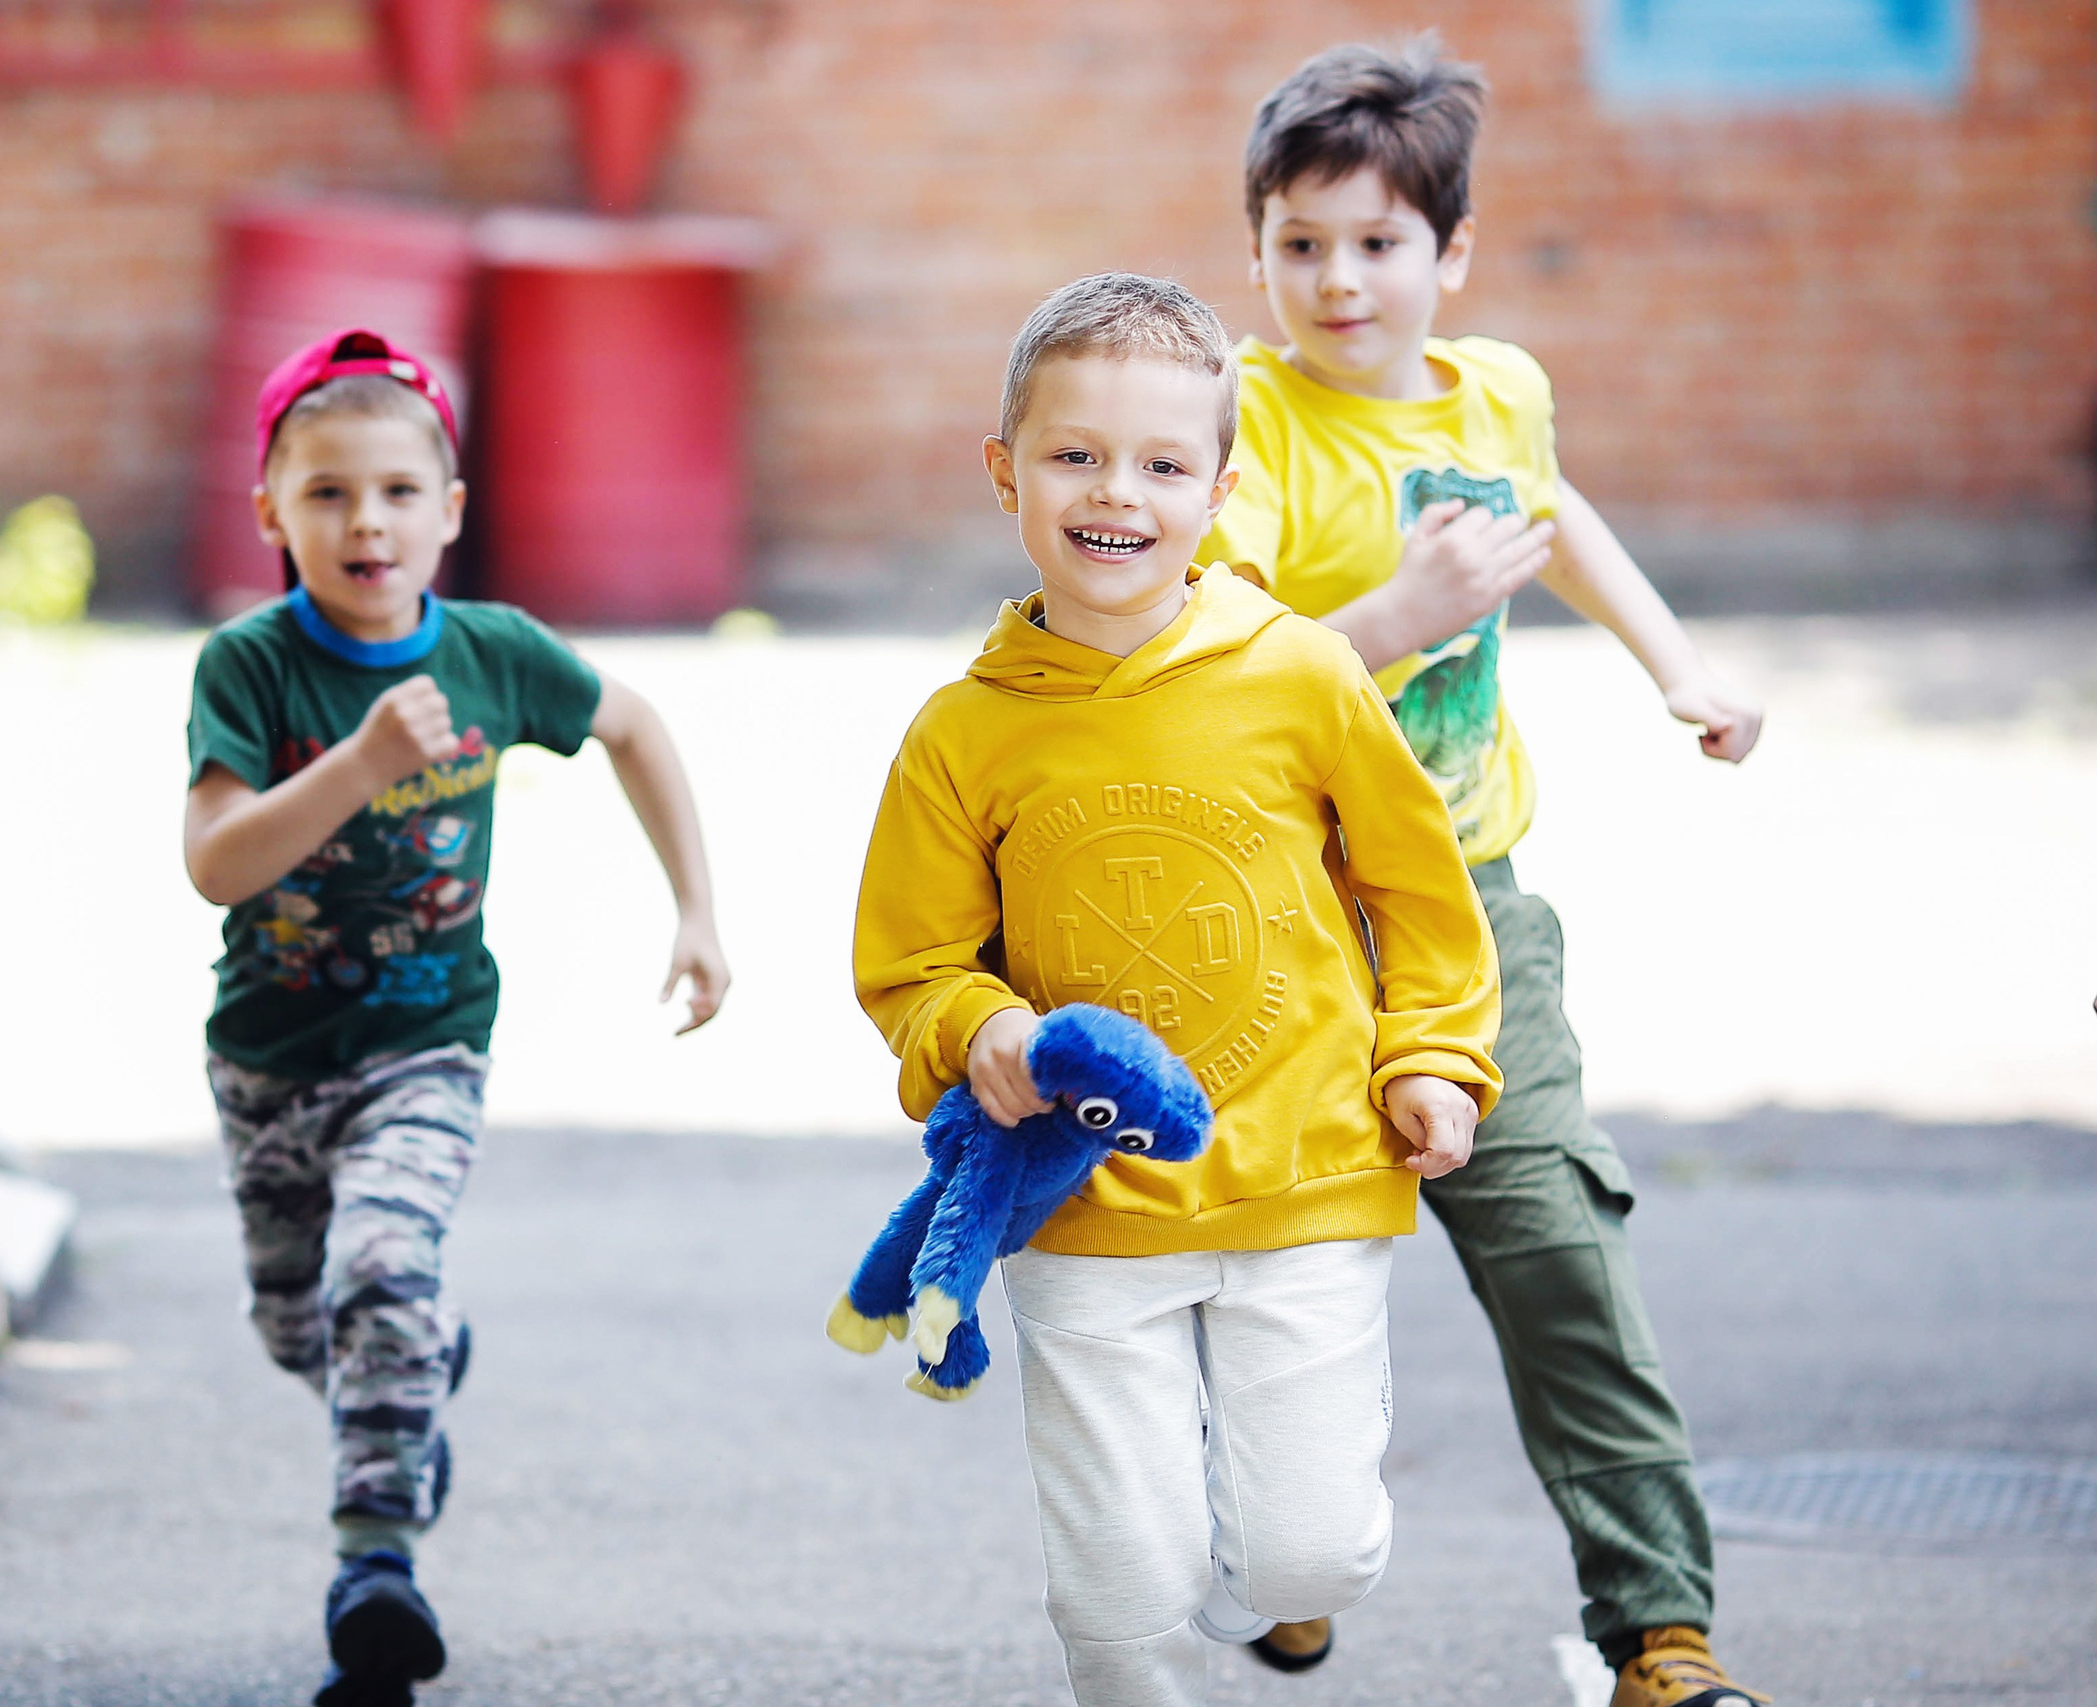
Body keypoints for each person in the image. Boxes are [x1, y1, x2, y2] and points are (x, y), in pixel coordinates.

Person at [1196, 39, 1770, 1707]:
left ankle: (1663, 1635)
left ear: (1450, 253)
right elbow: (1219, 691)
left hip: (1469, 911)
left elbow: (1553, 506)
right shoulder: (1242, 427)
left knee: (1559, 1256)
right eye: (1298, 243)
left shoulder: (1497, 389)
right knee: (1285, 1274)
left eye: (1377, 243)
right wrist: (1393, 617)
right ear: (1258, 254)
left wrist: (1677, 666)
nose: (1336, 280)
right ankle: (1287, 1562)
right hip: (1285, 927)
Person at [852, 272, 1503, 1707]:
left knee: (1307, 1564)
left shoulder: (1307, 674)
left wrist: (1434, 1057)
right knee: (1121, 1589)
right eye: (1074, 454)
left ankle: (1256, 1509)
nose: (1117, 493)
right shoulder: (961, 734)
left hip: (1307, 1175)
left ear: (1220, 485)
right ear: (1005, 468)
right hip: (1085, 1204)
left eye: (1161, 462)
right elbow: (911, 964)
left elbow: (1421, 892)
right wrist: (984, 1031)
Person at [181, 328, 731, 1707]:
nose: (366, 520)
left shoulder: (494, 655)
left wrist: (697, 913)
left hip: (427, 1049)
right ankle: (419, 1366)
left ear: (451, 513)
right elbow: (216, 865)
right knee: (299, 1325)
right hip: (268, 1058)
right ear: (270, 513)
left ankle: (375, 1571)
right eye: (326, 493)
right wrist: (362, 764)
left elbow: (637, 726)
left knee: (378, 1268)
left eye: (397, 492)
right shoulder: (251, 671)